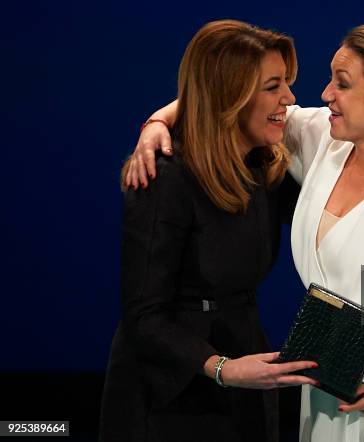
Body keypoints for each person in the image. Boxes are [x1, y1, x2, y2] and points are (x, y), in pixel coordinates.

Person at [127, 23, 364, 442]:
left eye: (342, 84)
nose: (324, 95)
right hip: (326, 393)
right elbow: (225, 96)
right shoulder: (328, 139)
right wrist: (157, 121)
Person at [100, 19, 319, 442]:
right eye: (273, 86)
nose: (290, 100)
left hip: (247, 370)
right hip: (171, 390)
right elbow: (143, 317)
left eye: (287, 84)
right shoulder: (164, 178)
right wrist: (221, 367)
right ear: (230, 97)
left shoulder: (267, 165)